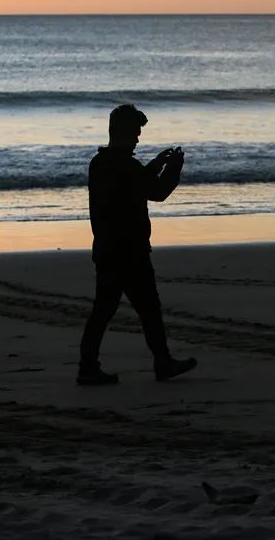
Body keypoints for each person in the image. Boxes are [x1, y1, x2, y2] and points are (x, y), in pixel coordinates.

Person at [77, 103, 197, 385]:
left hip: (107, 250)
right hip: (130, 253)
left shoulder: (101, 164)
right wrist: (173, 170)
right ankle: (162, 362)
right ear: (124, 133)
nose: (137, 138)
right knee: (148, 309)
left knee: (104, 311)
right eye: (135, 132)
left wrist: (155, 165)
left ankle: (88, 366)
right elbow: (156, 192)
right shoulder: (125, 167)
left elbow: (136, 183)